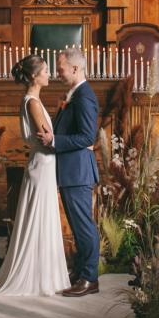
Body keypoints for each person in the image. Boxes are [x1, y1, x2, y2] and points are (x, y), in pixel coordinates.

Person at [0, 55, 70, 297]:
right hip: (42, 165)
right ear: (34, 76)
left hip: (43, 165)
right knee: (39, 220)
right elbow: (49, 140)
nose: (49, 74)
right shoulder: (32, 103)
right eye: (46, 70)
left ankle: (44, 274)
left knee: (42, 219)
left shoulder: (33, 101)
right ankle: (38, 277)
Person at [37, 47, 100, 297]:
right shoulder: (74, 94)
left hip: (78, 171)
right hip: (71, 171)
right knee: (78, 225)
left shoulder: (84, 96)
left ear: (75, 68)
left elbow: (87, 136)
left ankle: (89, 278)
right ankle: (82, 271)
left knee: (84, 226)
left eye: (61, 68)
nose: (57, 72)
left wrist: (54, 141)